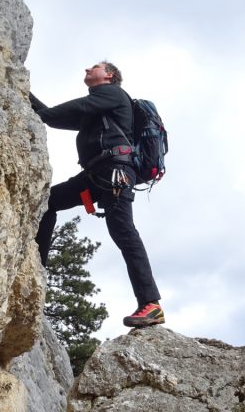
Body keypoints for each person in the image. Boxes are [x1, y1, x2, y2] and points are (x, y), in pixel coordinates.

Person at [29, 61, 165, 328]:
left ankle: (151, 304)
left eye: (94, 67)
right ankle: (36, 275)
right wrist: (22, 89)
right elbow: (51, 116)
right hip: (97, 176)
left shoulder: (111, 94)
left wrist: (25, 93)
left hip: (115, 173)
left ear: (109, 75)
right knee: (48, 203)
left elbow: (62, 112)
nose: (86, 70)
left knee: (123, 231)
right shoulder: (97, 109)